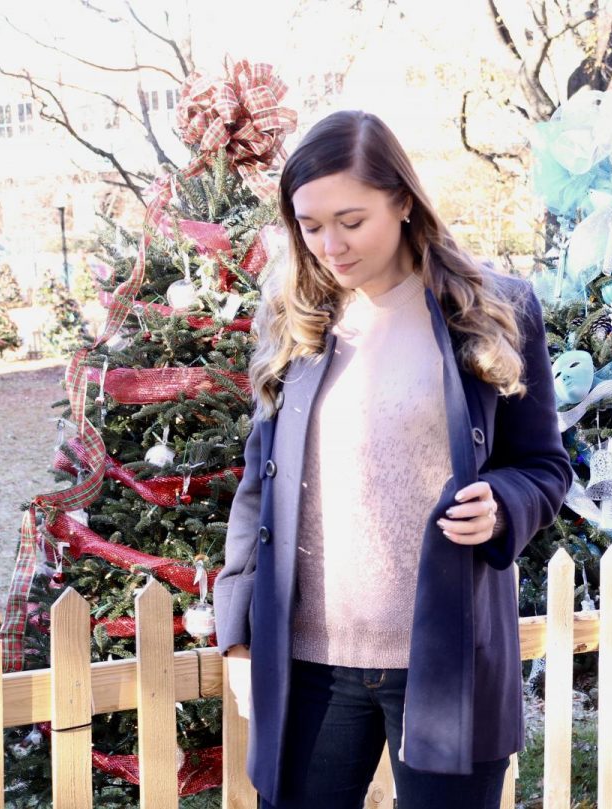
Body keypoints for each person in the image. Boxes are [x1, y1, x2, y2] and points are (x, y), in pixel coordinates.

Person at [213, 110, 571, 808]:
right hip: (308, 662)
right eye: (309, 225)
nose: (329, 245)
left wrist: (503, 504)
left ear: (402, 200)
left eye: (351, 220)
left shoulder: (496, 308)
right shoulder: (295, 315)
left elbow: (545, 466)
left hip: (446, 661)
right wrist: (238, 631)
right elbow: (260, 481)